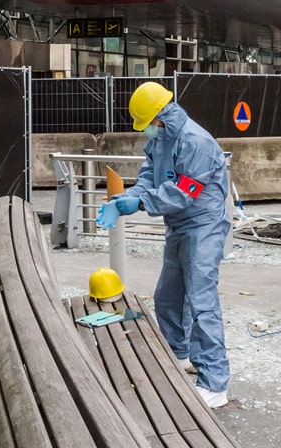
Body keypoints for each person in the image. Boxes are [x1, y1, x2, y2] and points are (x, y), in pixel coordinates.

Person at [95, 81, 231, 408]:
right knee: (168, 295)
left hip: (204, 225)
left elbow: (184, 192)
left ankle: (214, 383)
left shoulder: (195, 142)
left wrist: (141, 205)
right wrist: (130, 195)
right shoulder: (163, 138)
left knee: (201, 300)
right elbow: (148, 175)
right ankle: (179, 354)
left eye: (147, 126)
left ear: (160, 118)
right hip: (180, 224)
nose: (147, 133)